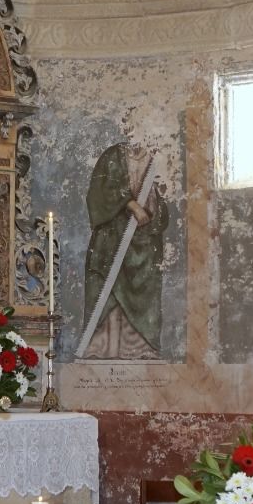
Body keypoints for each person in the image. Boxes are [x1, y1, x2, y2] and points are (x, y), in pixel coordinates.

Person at [81, 141, 167, 359]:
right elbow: (99, 193)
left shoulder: (158, 157)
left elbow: (166, 194)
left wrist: (151, 207)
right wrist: (131, 204)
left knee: (143, 288)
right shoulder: (112, 156)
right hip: (111, 239)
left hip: (145, 240)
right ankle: (103, 348)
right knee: (108, 287)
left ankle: (139, 348)